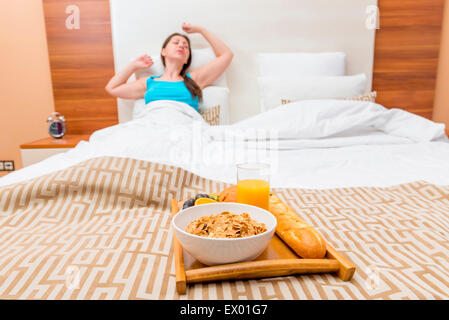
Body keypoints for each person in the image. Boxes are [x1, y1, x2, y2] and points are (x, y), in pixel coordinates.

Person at [105, 22, 233, 112]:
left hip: (185, 131)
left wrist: (201, 30)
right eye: (176, 42)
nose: (181, 46)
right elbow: (112, 88)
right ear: (164, 52)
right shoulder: (149, 82)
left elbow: (226, 55)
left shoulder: (194, 80)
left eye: (186, 46)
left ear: (187, 58)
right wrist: (133, 66)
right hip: (154, 128)